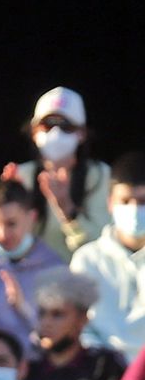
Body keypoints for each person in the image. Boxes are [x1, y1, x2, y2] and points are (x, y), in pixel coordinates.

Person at [24, 269, 130, 380]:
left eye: (57, 314)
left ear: (82, 320)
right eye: (42, 313)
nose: (46, 322)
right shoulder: (28, 370)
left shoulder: (104, 363)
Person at [4, 87, 111, 263]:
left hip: (82, 281)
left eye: (66, 126)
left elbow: (102, 251)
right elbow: (7, 246)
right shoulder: (21, 175)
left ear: (82, 133)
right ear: (33, 131)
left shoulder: (100, 176)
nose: (55, 133)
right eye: (47, 125)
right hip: (34, 279)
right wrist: (8, 204)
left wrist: (67, 210)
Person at [0, 180, 64, 351]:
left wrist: (23, 307)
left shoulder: (56, 270)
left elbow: (61, 337)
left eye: (11, 224)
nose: (2, 234)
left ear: (31, 218)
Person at [70, 152, 145, 358]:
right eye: (126, 200)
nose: (134, 209)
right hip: (104, 375)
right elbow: (79, 327)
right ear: (110, 203)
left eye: (142, 200)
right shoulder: (86, 260)